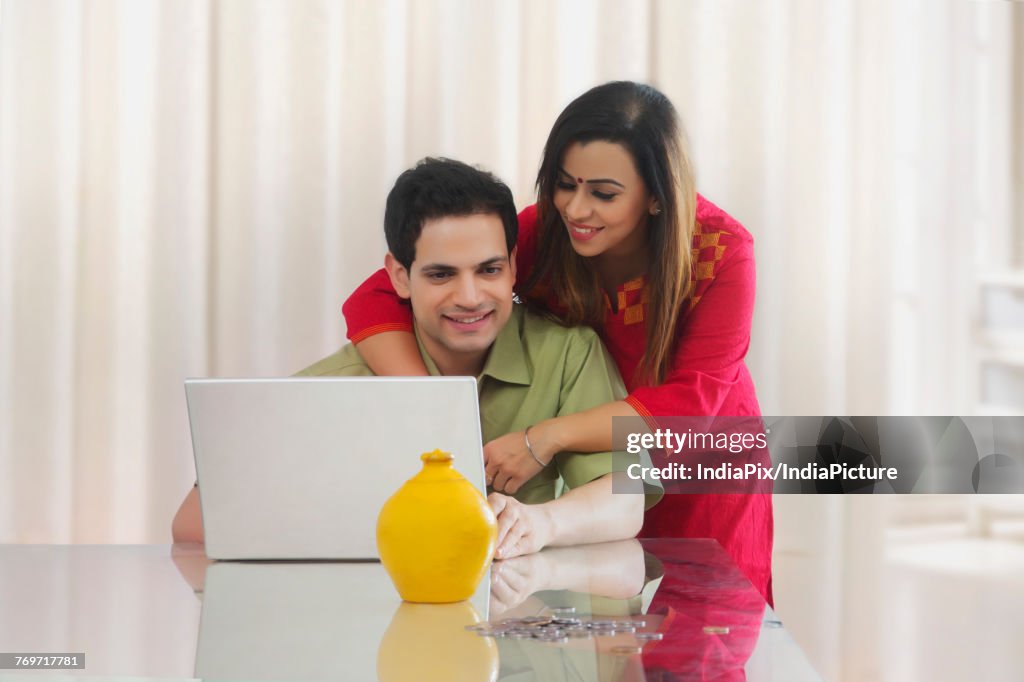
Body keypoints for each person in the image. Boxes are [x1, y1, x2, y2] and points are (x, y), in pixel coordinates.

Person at [340, 81, 773, 604]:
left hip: (703, 469)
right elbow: (378, 296)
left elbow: (691, 410)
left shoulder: (723, 254)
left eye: (604, 194)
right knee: (616, 653)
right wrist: (432, 408)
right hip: (610, 473)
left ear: (657, 196)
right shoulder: (547, 232)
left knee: (703, 643)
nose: (576, 209)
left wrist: (544, 438)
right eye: (565, 184)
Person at [173, 157, 658, 557]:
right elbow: (192, 526)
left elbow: (625, 500)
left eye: (489, 269)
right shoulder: (333, 385)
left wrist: (539, 523)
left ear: (514, 265)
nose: (470, 297)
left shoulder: (568, 353)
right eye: (442, 275)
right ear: (400, 277)